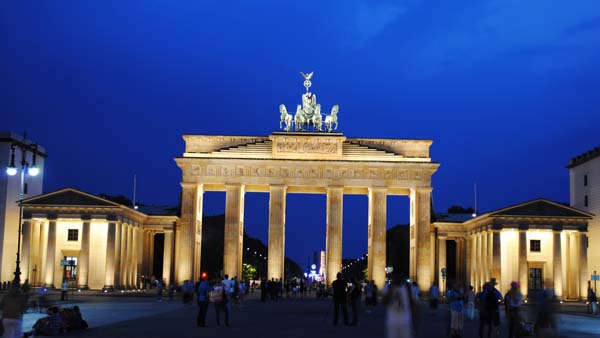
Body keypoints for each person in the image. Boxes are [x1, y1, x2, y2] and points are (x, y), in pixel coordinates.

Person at [383, 274, 414, 338]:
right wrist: (390, 291)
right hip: (392, 321)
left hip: (405, 321)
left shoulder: (408, 288)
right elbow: (384, 302)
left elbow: (412, 303)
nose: (398, 278)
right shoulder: (388, 288)